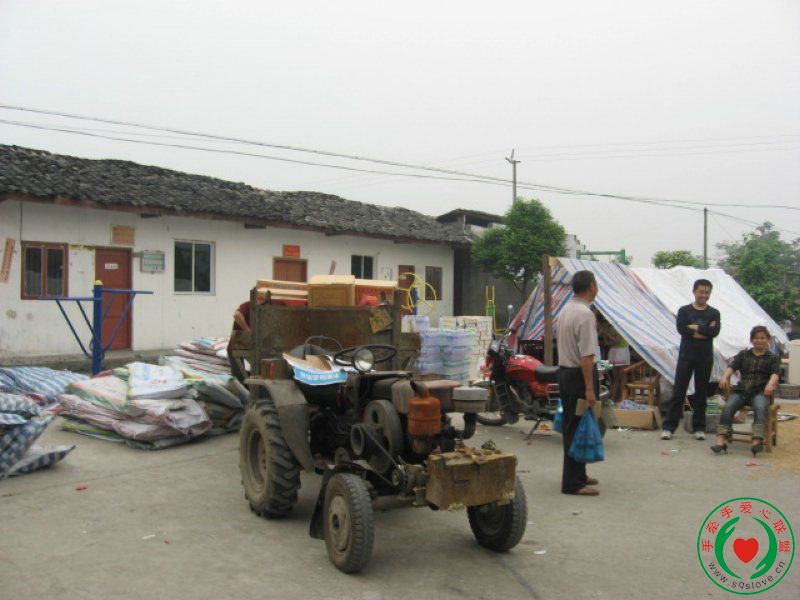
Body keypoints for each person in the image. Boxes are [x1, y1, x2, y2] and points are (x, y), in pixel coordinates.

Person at [557, 270, 602, 496]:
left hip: (565, 372)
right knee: (576, 428)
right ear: (591, 286)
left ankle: (579, 475)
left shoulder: (566, 309)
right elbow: (586, 357)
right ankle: (572, 483)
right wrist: (589, 388)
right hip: (578, 375)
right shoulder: (585, 314)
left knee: (574, 425)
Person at [661, 279, 720, 441]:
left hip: (705, 357)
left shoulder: (714, 313)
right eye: (701, 291)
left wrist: (695, 327)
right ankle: (669, 427)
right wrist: (705, 331)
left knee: (701, 392)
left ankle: (699, 427)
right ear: (694, 292)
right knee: (679, 391)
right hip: (686, 356)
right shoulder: (684, 311)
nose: (704, 295)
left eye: (707, 292)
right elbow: (682, 329)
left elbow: (714, 332)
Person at [711, 326, 780, 456]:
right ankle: (721, 440)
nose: (759, 341)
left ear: (768, 340)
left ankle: (757, 440)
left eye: (762, 338)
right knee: (728, 407)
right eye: (756, 338)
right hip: (742, 390)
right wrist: (724, 377)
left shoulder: (772, 357)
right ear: (752, 340)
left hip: (760, 391)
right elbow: (731, 367)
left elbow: (775, 373)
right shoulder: (744, 354)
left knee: (760, 408)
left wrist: (770, 384)